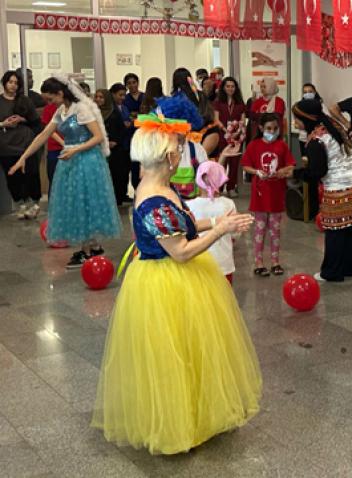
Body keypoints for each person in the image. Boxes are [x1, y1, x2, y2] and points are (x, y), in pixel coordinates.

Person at [91, 112, 261, 455]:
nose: (182, 154)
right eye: (179, 149)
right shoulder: (154, 199)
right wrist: (221, 230)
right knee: (173, 355)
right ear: (169, 157)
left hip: (178, 279)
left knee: (192, 349)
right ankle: (176, 424)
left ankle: (197, 413)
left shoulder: (160, 188)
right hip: (165, 283)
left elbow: (185, 223)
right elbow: (181, 251)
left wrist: (217, 219)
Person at [9, 75, 121, 268]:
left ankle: (88, 249)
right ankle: (91, 246)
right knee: (75, 202)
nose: (49, 103)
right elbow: (44, 135)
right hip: (70, 160)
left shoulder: (81, 109)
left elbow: (98, 136)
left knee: (85, 202)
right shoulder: (61, 110)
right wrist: (23, 157)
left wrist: (76, 149)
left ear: (60, 93)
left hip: (87, 161)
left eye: (51, 98)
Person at [292, 99, 352, 282]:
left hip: (339, 186)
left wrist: (295, 173)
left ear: (306, 118)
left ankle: (332, 272)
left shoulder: (317, 140)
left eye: (297, 119)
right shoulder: (332, 125)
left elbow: (317, 172)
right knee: (349, 226)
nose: (295, 122)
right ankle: (347, 267)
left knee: (335, 229)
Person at [241, 113, 295, 277]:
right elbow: (245, 165)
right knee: (259, 229)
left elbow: (291, 165)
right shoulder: (254, 145)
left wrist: (284, 171)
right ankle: (258, 262)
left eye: (275, 128)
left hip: (276, 193)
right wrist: (256, 172)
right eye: (268, 128)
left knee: (275, 230)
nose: (272, 131)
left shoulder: (282, 145)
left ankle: (275, 261)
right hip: (260, 194)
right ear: (261, 128)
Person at [187, 161, 237, 283]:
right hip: (223, 262)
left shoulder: (189, 206)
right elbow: (235, 234)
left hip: (199, 262)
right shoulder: (228, 204)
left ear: (197, 181)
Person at [0, 70, 42, 219]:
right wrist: (3, 124)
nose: (13, 85)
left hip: (26, 144)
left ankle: (34, 204)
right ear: (4, 83)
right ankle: (20, 204)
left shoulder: (24, 101)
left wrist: (22, 119)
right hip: (6, 146)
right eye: (10, 82)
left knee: (30, 175)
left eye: (16, 83)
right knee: (13, 178)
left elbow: (36, 122)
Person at [213, 76, 247, 196]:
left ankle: (231, 187)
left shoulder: (240, 103)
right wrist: (225, 130)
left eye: (232, 86)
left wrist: (237, 132)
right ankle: (219, 187)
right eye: (228, 86)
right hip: (222, 136)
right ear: (223, 87)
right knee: (222, 162)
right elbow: (216, 119)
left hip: (236, 137)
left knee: (234, 163)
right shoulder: (218, 102)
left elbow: (243, 120)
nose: (230, 88)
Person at [95, 88, 127, 206]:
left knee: (115, 175)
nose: (98, 99)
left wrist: (115, 141)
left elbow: (122, 130)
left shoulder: (114, 113)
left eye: (101, 97)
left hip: (115, 150)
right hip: (98, 148)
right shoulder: (93, 113)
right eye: (96, 97)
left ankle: (116, 199)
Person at [109, 83, 132, 205]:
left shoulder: (124, 108)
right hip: (115, 144)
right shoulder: (110, 109)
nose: (122, 98)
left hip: (125, 143)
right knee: (116, 172)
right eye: (120, 95)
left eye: (124, 95)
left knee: (124, 172)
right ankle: (116, 197)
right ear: (113, 94)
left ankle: (123, 194)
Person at [123, 73, 144, 192]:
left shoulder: (144, 97)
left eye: (134, 82)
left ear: (138, 83)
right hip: (130, 134)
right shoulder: (125, 99)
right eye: (129, 83)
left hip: (144, 132)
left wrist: (136, 116)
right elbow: (126, 117)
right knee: (133, 162)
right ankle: (135, 186)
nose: (132, 85)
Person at [41, 96, 64, 194]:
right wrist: (63, 143)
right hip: (54, 149)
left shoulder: (74, 108)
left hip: (73, 148)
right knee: (54, 179)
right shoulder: (49, 108)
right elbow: (47, 129)